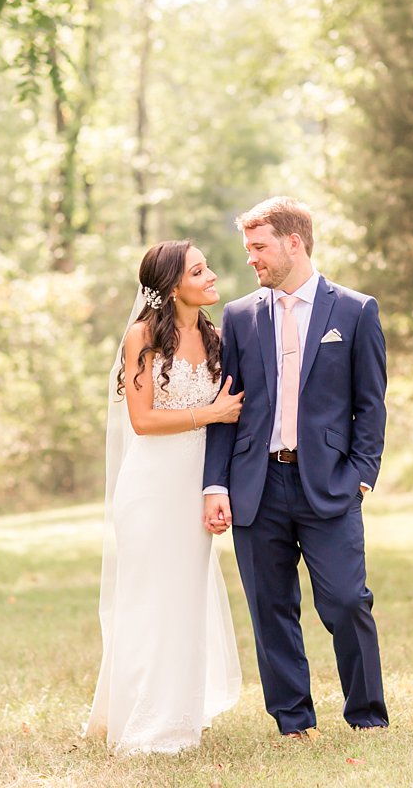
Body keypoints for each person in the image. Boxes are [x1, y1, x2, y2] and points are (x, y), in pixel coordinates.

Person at [203, 196, 389, 738]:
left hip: (327, 484)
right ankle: (293, 722)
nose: (251, 260)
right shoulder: (239, 317)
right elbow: (226, 408)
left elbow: (371, 403)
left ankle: (367, 716)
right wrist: (217, 482)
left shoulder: (355, 311)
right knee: (270, 607)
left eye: (259, 248)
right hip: (256, 484)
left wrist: (359, 472)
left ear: (294, 243)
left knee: (347, 600)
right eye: (247, 249)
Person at [86, 240, 244, 755]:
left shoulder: (217, 337)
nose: (212, 275)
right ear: (174, 286)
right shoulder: (142, 338)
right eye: (200, 271)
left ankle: (181, 715)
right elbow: (143, 420)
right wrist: (210, 414)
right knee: (150, 599)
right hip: (152, 488)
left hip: (195, 490)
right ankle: (142, 719)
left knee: (186, 598)